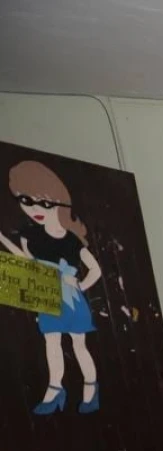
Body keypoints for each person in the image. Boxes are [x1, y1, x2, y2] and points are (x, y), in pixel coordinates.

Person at [2, 160, 103, 414]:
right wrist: (2, 239)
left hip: (72, 299)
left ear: (58, 201)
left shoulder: (72, 239)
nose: (34, 208)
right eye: (26, 200)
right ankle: (55, 389)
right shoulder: (30, 235)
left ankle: (91, 389)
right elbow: (27, 262)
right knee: (52, 343)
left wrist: (79, 284)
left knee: (79, 345)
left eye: (44, 203)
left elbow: (96, 270)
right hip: (47, 295)